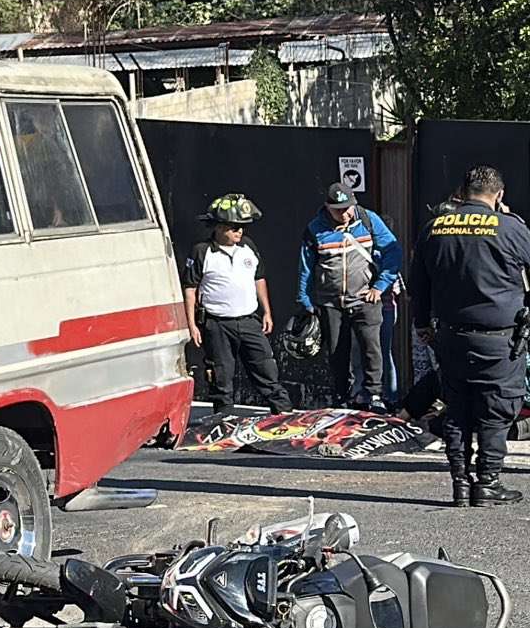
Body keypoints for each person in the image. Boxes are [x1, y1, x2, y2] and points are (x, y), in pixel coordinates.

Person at [405, 165, 530, 507]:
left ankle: (460, 483)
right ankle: (488, 482)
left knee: (457, 409)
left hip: (451, 337)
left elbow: (419, 286)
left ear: (462, 192)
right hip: (500, 339)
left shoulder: (434, 228)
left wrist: (422, 325)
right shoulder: (511, 228)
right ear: (499, 195)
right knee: (496, 409)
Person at [298, 183, 401, 410]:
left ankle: (374, 394)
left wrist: (379, 287)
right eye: (338, 210)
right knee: (337, 352)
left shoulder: (369, 220)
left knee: (372, 349)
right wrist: (304, 299)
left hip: (365, 298)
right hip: (330, 301)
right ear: (327, 207)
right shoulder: (315, 229)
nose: (344, 214)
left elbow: (393, 251)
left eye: (347, 208)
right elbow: (306, 266)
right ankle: (342, 396)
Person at [183, 194, 286, 413]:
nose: (240, 231)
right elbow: (190, 289)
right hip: (217, 324)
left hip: (249, 321)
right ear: (220, 227)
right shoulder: (202, 251)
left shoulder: (248, 246)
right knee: (221, 378)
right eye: (234, 227)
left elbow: (259, 279)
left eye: (242, 227)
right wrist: (192, 325)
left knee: (266, 370)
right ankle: (224, 419)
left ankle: (283, 412)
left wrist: (267, 311)